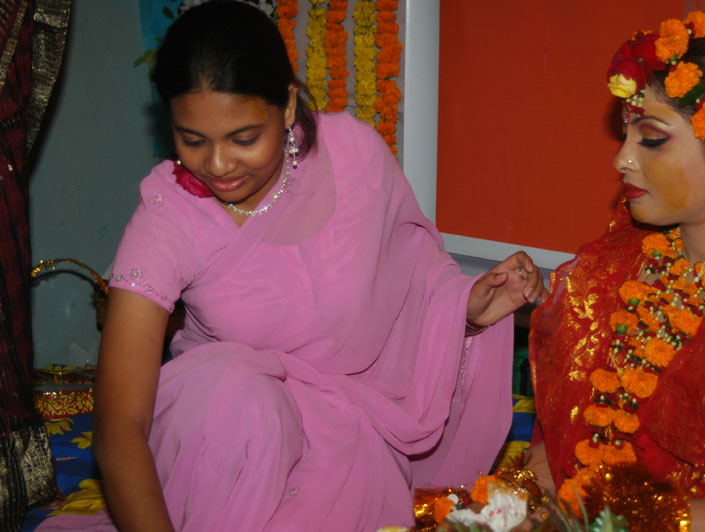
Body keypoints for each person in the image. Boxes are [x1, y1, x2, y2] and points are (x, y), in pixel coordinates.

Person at [36, 2, 545, 531]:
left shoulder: (352, 159)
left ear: (286, 106)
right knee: (245, 394)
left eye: (244, 138)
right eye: (193, 140)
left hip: (346, 440)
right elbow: (119, 423)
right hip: (225, 443)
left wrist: (466, 311)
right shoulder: (169, 215)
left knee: (336, 452)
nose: (218, 165)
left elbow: (415, 280)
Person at [526, 11, 705, 532]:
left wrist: (603, 521)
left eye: (651, 138)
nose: (622, 160)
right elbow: (569, 444)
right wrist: (513, 501)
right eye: (625, 135)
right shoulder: (624, 267)